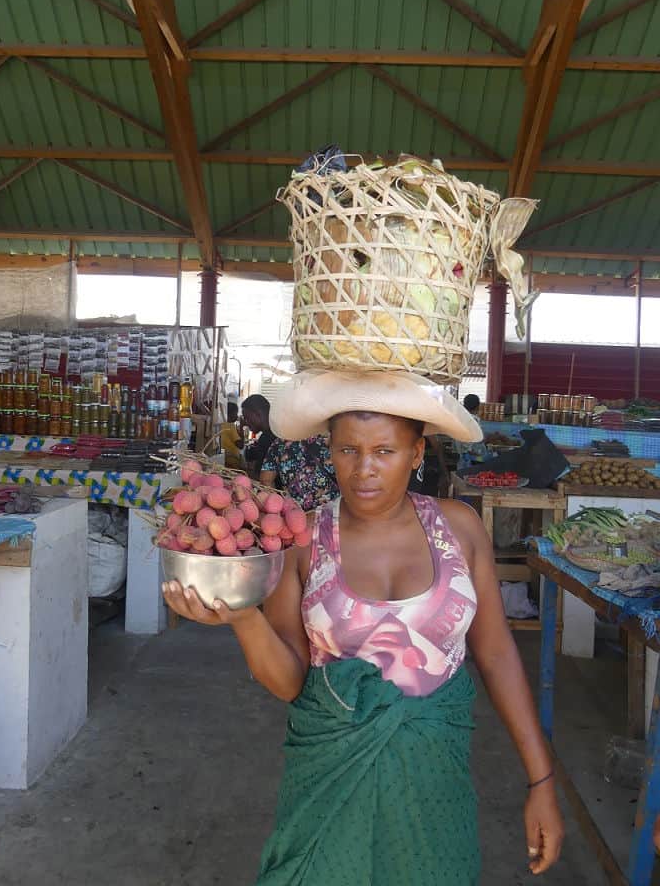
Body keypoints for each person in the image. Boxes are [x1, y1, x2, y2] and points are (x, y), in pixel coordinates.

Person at [163, 369, 564, 884]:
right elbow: (290, 682)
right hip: (329, 780)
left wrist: (542, 779)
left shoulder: (459, 528)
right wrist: (244, 619)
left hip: (433, 783)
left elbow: (497, 655)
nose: (364, 470)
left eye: (385, 451)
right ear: (329, 452)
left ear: (417, 454)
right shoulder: (305, 540)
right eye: (348, 450)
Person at [260, 435, 339, 511]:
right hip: (332, 512)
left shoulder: (279, 444)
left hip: (296, 514)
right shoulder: (331, 441)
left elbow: (266, 480)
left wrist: (278, 508)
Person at [241, 394, 276, 480]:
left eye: (247, 418)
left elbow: (260, 479)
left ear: (258, 414)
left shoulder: (267, 438)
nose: (246, 422)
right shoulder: (278, 432)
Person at [220, 402, 245, 471]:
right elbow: (240, 445)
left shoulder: (221, 424)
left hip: (223, 458)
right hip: (232, 461)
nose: (237, 416)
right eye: (236, 413)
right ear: (230, 414)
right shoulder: (231, 426)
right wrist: (242, 427)